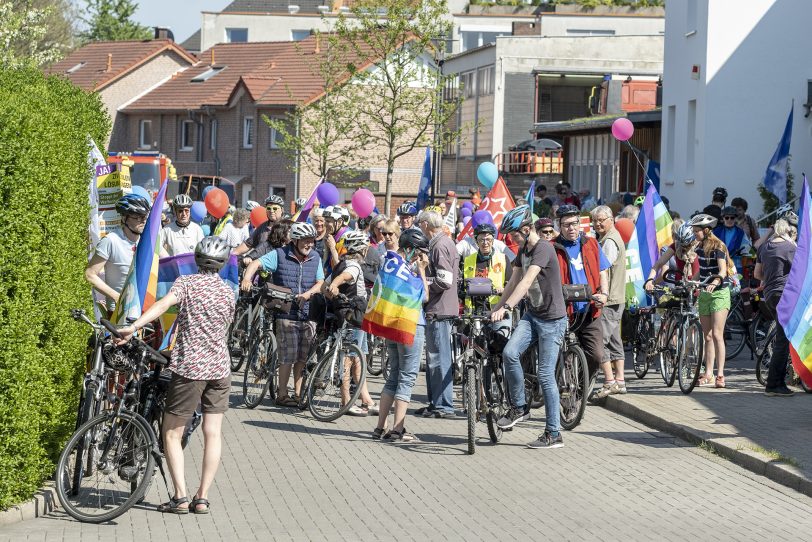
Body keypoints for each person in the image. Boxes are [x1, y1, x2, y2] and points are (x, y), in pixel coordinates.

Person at [114, 236, 235, 514]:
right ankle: (202, 497)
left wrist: (133, 328)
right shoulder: (228, 292)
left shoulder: (186, 283)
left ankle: (180, 496)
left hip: (190, 368)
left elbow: (161, 306)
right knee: (213, 433)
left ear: (196, 259)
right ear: (223, 262)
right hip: (219, 368)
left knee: (171, 432)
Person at [490, 204, 568, 449]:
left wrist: (509, 307)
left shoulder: (543, 248)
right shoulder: (523, 250)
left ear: (526, 229)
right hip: (533, 316)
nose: (512, 239)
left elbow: (526, 281)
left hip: (552, 321)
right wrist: (496, 308)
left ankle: (553, 433)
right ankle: (520, 407)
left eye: (514, 234)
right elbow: (513, 281)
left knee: (545, 375)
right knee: (510, 353)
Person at [240, 222, 324, 405]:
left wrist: (308, 295)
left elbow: (320, 282)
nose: (309, 245)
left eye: (311, 241)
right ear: (295, 240)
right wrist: (247, 278)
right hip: (285, 312)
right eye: (305, 241)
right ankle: (282, 394)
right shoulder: (280, 254)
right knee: (289, 354)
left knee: (303, 356)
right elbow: (255, 263)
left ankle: (299, 394)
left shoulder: (316, 257)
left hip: (308, 313)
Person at [373, 229, 430, 443]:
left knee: (394, 375)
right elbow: (424, 296)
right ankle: (398, 430)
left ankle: (380, 427)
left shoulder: (388, 263)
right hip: (411, 325)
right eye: (419, 252)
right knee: (406, 377)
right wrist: (422, 272)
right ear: (410, 248)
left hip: (391, 325)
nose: (420, 256)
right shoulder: (407, 269)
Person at [551, 205, 610, 394]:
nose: (571, 228)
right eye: (566, 224)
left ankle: (581, 386)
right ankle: (564, 389)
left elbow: (603, 270)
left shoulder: (591, 243)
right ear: (559, 225)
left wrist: (605, 294)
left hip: (589, 309)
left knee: (596, 354)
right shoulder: (552, 247)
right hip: (564, 311)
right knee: (563, 355)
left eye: (575, 223)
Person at [321, 230, 378, 416]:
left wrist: (329, 289)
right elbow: (344, 277)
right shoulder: (353, 266)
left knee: (357, 358)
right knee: (348, 359)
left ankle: (365, 398)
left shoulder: (342, 264)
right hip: (353, 316)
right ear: (362, 249)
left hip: (348, 315)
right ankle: (345, 400)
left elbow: (326, 283)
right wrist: (335, 285)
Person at [410, 209, 459, 419]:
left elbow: (445, 280)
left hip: (440, 309)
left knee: (439, 358)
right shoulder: (442, 243)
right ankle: (435, 403)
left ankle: (444, 405)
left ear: (425, 225)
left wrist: (423, 280)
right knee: (434, 359)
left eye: (419, 224)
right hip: (439, 309)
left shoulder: (439, 245)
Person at [754, 216, 797, 396]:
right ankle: (774, 384)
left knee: (782, 337)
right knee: (783, 340)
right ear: (787, 231)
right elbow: (800, 272)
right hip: (786, 295)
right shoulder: (789, 247)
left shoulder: (765, 247)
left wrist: (770, 280)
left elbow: (757, 274)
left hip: (770, 295)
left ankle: (779, 381)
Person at [85, 194, 150, 313]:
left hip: (145, 309)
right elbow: (90, 275)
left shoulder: (148, 240)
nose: (143, 221)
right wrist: (116, 296)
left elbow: (167, 260)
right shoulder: (111, 240)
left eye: (144, 216)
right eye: (137, 217)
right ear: (124, 218)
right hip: (119, 312)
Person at [689, 213, 731, 388]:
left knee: (716, 334)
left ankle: (720, 374)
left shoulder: (718, 246)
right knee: (706, 336)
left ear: (706, 230)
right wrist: (692, 281)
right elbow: (702, 270)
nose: (694, 233)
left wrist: (715, 282)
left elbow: (722, 270)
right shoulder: (699, 247)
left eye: (696, 230)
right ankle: (708, 373)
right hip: (705, 293)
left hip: (720, 292)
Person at [590, 206, 627, 398]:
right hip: (616, 297)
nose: (597, 224)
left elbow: (602, 269)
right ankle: (619, 381)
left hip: (610, 299)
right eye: (595, 220)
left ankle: (609, 381)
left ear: (611, 219)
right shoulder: (610, 237)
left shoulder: (610, 241)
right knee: (614, 340)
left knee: (600, 341)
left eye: (601, 220)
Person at [645, 222, 700, 287]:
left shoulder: (699, 248)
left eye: (687, 245)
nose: (683, 247)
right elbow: (658, 264)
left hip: (694, 287)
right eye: (681, 244)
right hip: (679, 286)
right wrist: (650, 280)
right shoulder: (676, 246)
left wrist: (690, 287)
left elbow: (698, 276)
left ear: (693, 240)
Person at [233, 194, 285, 260]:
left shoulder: (286, 227)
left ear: (281, 210)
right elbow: (248, 244)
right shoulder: (262, 227)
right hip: (261, 265)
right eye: (268, 208)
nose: (271, 211)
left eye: (275, 208)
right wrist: (234, 253)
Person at [714, 205, 751, 272]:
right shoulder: (716, 231)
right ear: (723, 218)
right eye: (727, 217)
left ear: (735, 218)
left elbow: (746, 249)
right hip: (718, 265)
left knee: (736, 282)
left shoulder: (741, 233)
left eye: (732, 218)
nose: (729, 220)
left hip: (736, 266)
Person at [323, 205, 350, 270]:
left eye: (328, 221)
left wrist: (332, 247)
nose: (325, 224)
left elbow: (340, 268)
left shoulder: (347, 238)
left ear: (339, 222)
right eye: (325, 221)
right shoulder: (335, 236)